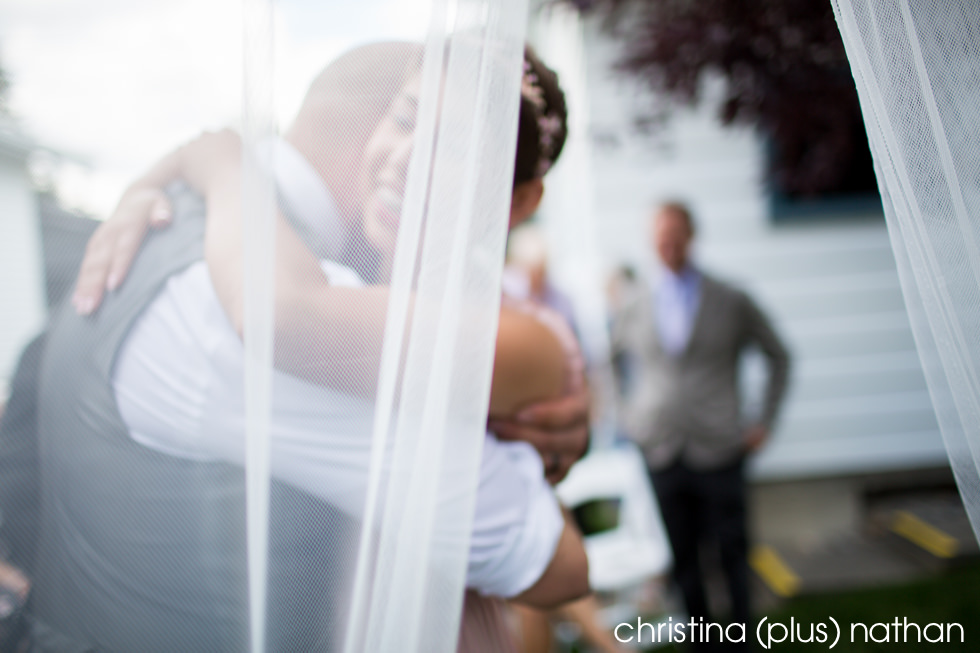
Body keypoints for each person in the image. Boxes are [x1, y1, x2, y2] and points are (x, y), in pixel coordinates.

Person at [22, 43, 589, 652]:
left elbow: (286, 315)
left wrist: (215, 156)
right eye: (403, 118)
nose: (405, 159)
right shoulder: (327, 278)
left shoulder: (502, 330)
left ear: (519, 203)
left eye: (452, 148)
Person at [611, 202, 790, 650]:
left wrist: (762, 422)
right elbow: (609, 363)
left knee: (731, 550)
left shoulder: (729, 299)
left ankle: (742, 638)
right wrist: (628, 416)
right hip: (662, 448)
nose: (668, 246)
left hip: (720, 444)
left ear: (691, 237)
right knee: (682, 555)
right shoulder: (635, 304)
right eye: (660, 238)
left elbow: (778, 355)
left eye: (676, 236)